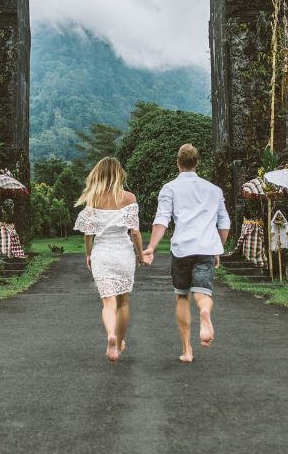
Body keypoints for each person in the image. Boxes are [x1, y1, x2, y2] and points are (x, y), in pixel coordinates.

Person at [142, 143, 230, 363]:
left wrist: (151, 247)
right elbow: (224, 223)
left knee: (182, 297)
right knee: (203, 294)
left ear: (178, 163)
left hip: (182, 250)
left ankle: (187, 351)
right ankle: (204, 312)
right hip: (206, 248)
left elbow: (161, 220)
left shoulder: (169, 188)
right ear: (197, 163)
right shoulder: (214, 190)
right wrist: (217, 247)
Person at [74, 157, 144, 362]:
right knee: (123, 302)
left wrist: (88, 254)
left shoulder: (93, 199)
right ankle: (119, 342)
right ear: (118, 174)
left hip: (102, 253)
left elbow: (88, 234)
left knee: (108, 302)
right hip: (123, 253)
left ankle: (111, 335)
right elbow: (135, 233)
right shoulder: (129, 198)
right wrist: (141, 255)